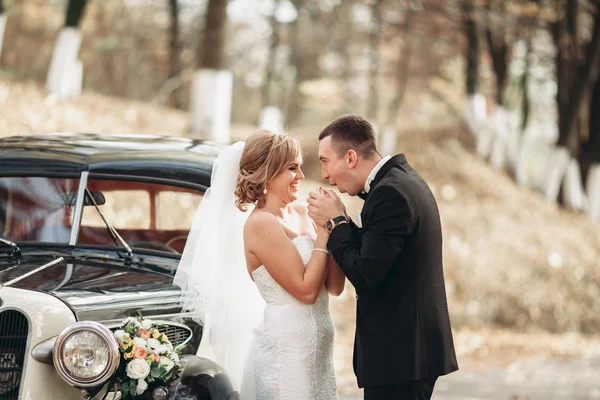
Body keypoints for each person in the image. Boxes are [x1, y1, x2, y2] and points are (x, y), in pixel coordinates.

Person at [174, 130, 345, 400]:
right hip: (286, 354)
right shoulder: (260, 224)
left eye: (300, 167)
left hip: (319, 349)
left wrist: (335, 225)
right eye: (292, 168)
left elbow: (334, 287)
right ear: (267, 174)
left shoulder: (303, 213)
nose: (301, 176)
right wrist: (325, 232)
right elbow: (306, 291)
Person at [307, 114, 458, 400]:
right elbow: (377, 251)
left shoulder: (390, 193)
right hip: (406, 353)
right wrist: (343, 222)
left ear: (350, 157)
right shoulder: (399, 182)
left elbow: (366, 274)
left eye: (325, 161)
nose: (324, 174)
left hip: (402, 355)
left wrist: (337, 223)